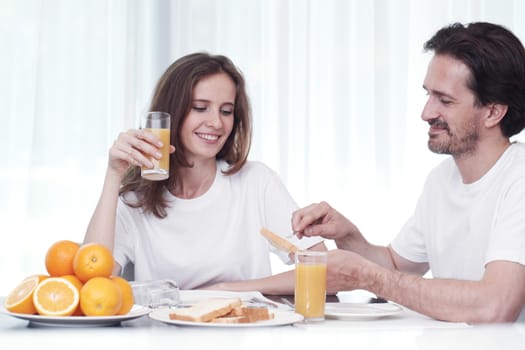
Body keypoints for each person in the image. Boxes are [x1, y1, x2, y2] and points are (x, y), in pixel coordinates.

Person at [292, 22, 525, 323]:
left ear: (493, 112)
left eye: (445, 100)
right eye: (428, 95)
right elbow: (398, 268)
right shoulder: (441, 181)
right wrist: (348, 236)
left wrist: (369, 277)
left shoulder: (519, 179)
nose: (426, 113)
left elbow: (494, 307)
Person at [84, 52, 325, 294]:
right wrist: (114, 174)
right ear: (172, 112)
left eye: (226, 111)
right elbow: (92, 282)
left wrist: (225, 289)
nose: (217, 123)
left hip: (245, 328)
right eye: (200, 108)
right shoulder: (135, 203)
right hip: (162, 331)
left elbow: (324, 271)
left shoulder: (256, 183)